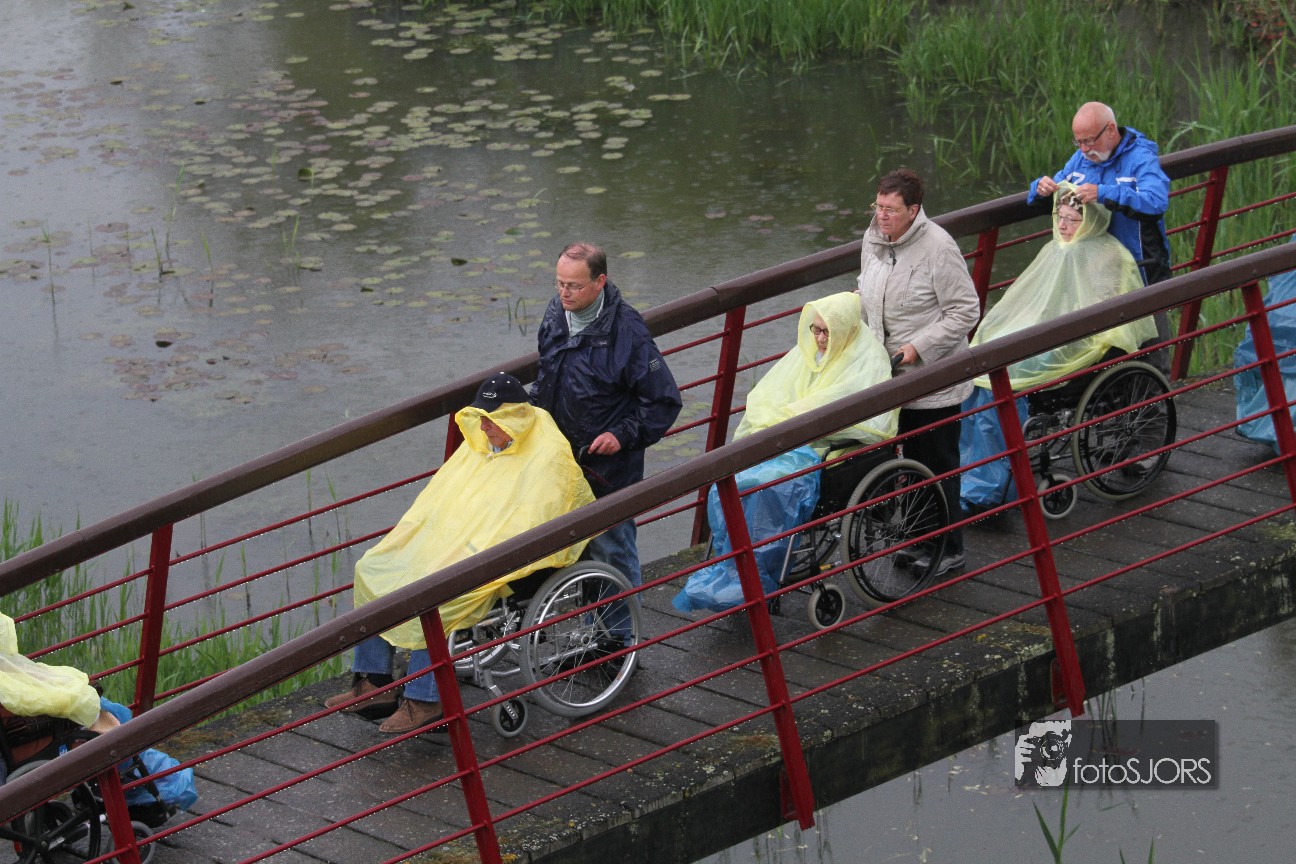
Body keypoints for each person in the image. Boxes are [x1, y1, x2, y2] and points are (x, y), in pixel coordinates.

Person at [325, 373, 595, 734]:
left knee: (434, 592)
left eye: (491, 420)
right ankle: (375, 684)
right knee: (373, 570)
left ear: (515, 417)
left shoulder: (547, 456)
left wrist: (469, 549)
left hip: (496, 554)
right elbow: (438, 502)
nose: (484, 427)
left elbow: (532, 520)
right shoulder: (478, 447)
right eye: (480, 418)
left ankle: (425, 699)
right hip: (455, 542)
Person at [673, 292, 898, 612]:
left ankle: (753, 576)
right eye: (815, 330)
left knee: (768, 489)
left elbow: (865, 420)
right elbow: (771, 393)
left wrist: (795, 421)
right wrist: (782, 422)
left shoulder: (868, 360)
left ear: (845, 328)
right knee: (733, 483)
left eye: (827, 331)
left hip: (823, 449)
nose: (820, 338)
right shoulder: (808, 355)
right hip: (790, 439)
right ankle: (734, 568)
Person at [959, 185, 1157, 511]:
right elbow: (1031, 302)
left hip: (1080, 344)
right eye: (1060, 217)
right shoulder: (1057, 249)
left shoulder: (1110, 256)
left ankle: (990, 487)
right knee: (975, 375)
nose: (1063, 226)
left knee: (998, 381)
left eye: (1072, 220)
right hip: (1051, 335)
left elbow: (1107, 319)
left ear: (1089, 221)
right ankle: (970, 473)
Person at [530, 243, 683, 623]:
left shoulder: (628, 332)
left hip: (610, 468)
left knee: (612, 548)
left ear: (600, 282)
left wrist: (622, 435)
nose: (564, 293)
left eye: (574, 286)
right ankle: (591, 631)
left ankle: (621, 637)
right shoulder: (556, 315)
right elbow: (547, 378)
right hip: (563, 459)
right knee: (578, 550)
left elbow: (663, 401)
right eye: (559, 283)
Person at [855, 168, 980, 579]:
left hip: (932, 380)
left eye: (891, 210)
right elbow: (866, 289)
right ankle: (919, 538)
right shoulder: (874, 239)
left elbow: (965, 310)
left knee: (936, 463)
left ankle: (949, 548)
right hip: (889, 376)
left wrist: (918, 348)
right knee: (907, 464)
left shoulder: (938, 247)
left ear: (913, 210)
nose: (882, 216)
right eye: (878, 206)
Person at [1030, 101, 1173, 357]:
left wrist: (1104, 193)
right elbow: (1058, 189)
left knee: (1150, 349)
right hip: (1095, 274)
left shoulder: (1140, 157)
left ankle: (1158, 381)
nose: (1084, 150)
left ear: (1110, 130)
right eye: (1078, 142)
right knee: (1102, 354)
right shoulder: (1081, 159)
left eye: (1089, 141)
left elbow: (1155, 201)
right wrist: (1039, 189)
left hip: (1142, 269)